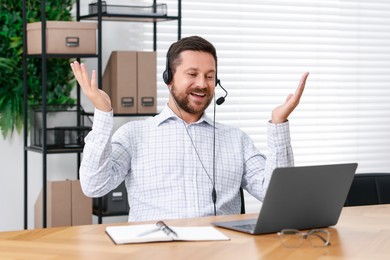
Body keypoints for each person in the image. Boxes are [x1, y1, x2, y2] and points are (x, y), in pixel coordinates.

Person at [70, 35, 309, 222]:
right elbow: (94, 185)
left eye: (209, 76)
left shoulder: (236, 140)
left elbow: (281, 197)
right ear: (169, 78)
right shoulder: (134, 134)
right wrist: (102, 112)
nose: (202, 84)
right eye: (192, 74)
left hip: (222, 251)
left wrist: (279, 123)